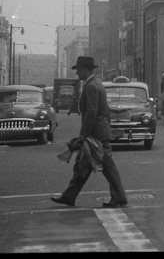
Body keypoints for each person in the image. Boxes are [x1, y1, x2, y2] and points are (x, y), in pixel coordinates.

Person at [51, 56, 128, 209]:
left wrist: (83, 134)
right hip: (99, 131)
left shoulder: (92, 86)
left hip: (95, 134)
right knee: (83, 165)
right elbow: (105, 110)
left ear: (85, 70)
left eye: (78, 70)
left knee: (106, 166)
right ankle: (69, 196)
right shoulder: (96, 84)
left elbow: (91, 113)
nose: (77, 74)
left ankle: (119, 197)